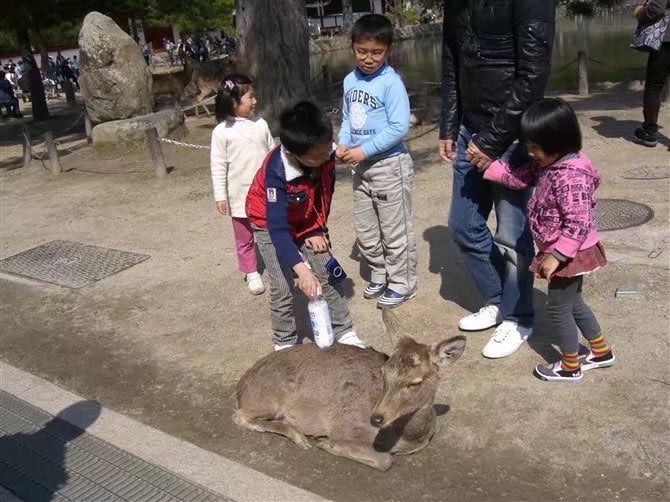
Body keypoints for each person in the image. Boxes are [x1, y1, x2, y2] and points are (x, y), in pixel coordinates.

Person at [438, 0, 556, 359]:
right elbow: (452, 62)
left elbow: (534, 76)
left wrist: (492, 141)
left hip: (513, 135)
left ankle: (520, 317)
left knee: (512, 234)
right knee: (463, 225)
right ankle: (499, 299)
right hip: (469, 128)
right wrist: (449, 125)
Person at [483, 98, 615, 382]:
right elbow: (521, 178)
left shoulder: (571, 176)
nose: (530, 153)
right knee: (574, 303)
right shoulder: (549, 164)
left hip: (570, 253)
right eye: (528, 146)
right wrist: (491, 168)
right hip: (566, 251)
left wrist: (556, 256)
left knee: (558, 309)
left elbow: (578, 223)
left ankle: (570, 366)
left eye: (535, 147)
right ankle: (601, 352)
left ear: (557, 142)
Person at [246, 101, 365, 351]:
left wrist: (316, 228)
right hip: (269, 224)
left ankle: (344, 330)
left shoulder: (326, 154)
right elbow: (278, 231)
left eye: (327, 151)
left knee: (329, 270)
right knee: (283, 287)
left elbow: (324, 196)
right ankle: (285, 342)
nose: (325, 159)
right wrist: (302, 270)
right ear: (292, 153)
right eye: (316, 157)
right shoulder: (276, 171)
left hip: (306, 218)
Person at [336, 14, 417, 309]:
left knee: (395, 229)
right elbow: (348, 119)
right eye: (362, 51)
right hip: (360, 167)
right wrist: (343, 143)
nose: (368, 59)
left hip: (389, 166)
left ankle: (402, 282)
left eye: (376, 52)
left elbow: (399, 127)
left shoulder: (390, 83)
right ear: (353, 47)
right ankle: (380, 272)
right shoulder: (350, 81)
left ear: (388, 50)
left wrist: (364, 151)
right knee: (366, 229)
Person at [210, 74, 274, 296]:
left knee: (275, 227)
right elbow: (218, 166)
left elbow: (272, 153)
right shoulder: (222, 132)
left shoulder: (261, 124)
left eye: (254, 96)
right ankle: (251, 270)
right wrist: (220, 196)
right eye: (250, 97)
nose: (255, 101)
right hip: (240, 195)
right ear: (234, 102)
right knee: (244, 236)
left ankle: (288, 258)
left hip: (265, 191)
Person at [632, 0, 669, 147]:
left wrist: (641, 13)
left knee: (653, 87)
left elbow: (657, 8)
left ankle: (649, 132)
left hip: (666, 41)